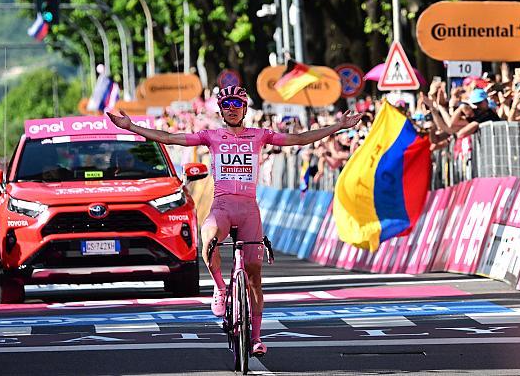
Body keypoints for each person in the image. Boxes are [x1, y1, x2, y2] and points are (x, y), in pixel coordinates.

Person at [107, 85, 362, 357]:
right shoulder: (211, 136)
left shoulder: (260, 136)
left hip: (249, 209)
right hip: (223, 206)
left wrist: (338, 126)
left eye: (236, 104)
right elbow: (170, 138)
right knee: (208, 239)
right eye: (226, 104)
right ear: (220, 109)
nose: (231, 109)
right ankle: (219, 288)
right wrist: (132, 127)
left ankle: (255, 338)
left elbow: (299, 140)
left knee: (254, 277)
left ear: (244, 109)